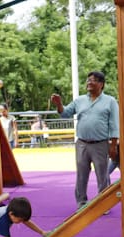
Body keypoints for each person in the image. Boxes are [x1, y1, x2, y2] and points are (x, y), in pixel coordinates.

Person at [50, 71, 119, 209]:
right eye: (88, 80)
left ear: (101, 84)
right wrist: (59, 104)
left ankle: (103, 204)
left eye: (93, 80)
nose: (89, 82)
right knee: (81, 174)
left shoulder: (110, 101)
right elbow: (65, 113)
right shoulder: (79, 100)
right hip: (82, 143)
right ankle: (81, 202)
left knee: (102, 175)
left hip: (100, 144)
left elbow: (114, 124)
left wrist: (113, 145)